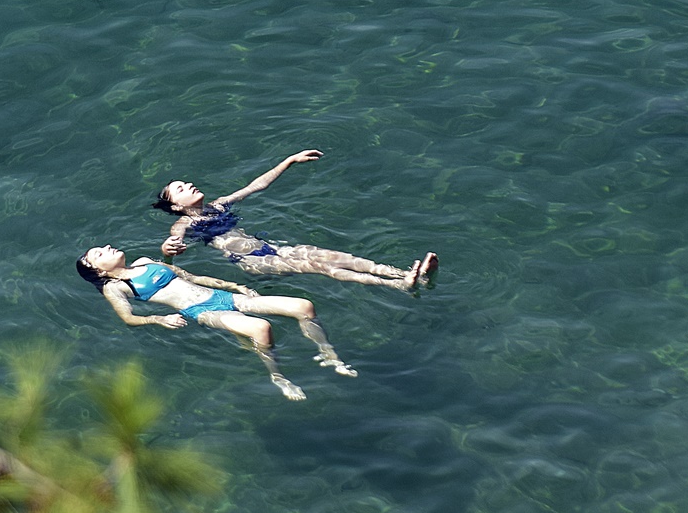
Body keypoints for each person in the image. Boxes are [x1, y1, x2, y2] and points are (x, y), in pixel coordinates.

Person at [76, 243, 356, 401]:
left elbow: (193, 277)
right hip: (201, 311)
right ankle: (278, 376)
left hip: (224, 297)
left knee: (304, 306)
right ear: (98, 270)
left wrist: (235, 285)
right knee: (261, 328)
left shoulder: (148, 261)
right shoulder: (115, 288)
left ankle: (327, 353)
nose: (107, 247)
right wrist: (160, 319)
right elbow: (128, 318)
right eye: (99, 254)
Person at [154, 149, 437, 290]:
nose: (189, 184)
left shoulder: (218, 205)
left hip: (272, 249)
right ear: (177, 206)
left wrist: (289, 160)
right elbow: (174, 240)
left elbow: (256, 186)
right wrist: (169, 248)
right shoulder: (185, 223)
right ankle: (398, 285)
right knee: (320, 267)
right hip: (254, 262)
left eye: (186, 182)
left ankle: (407, 274)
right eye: (180, 188)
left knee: (334, 256)